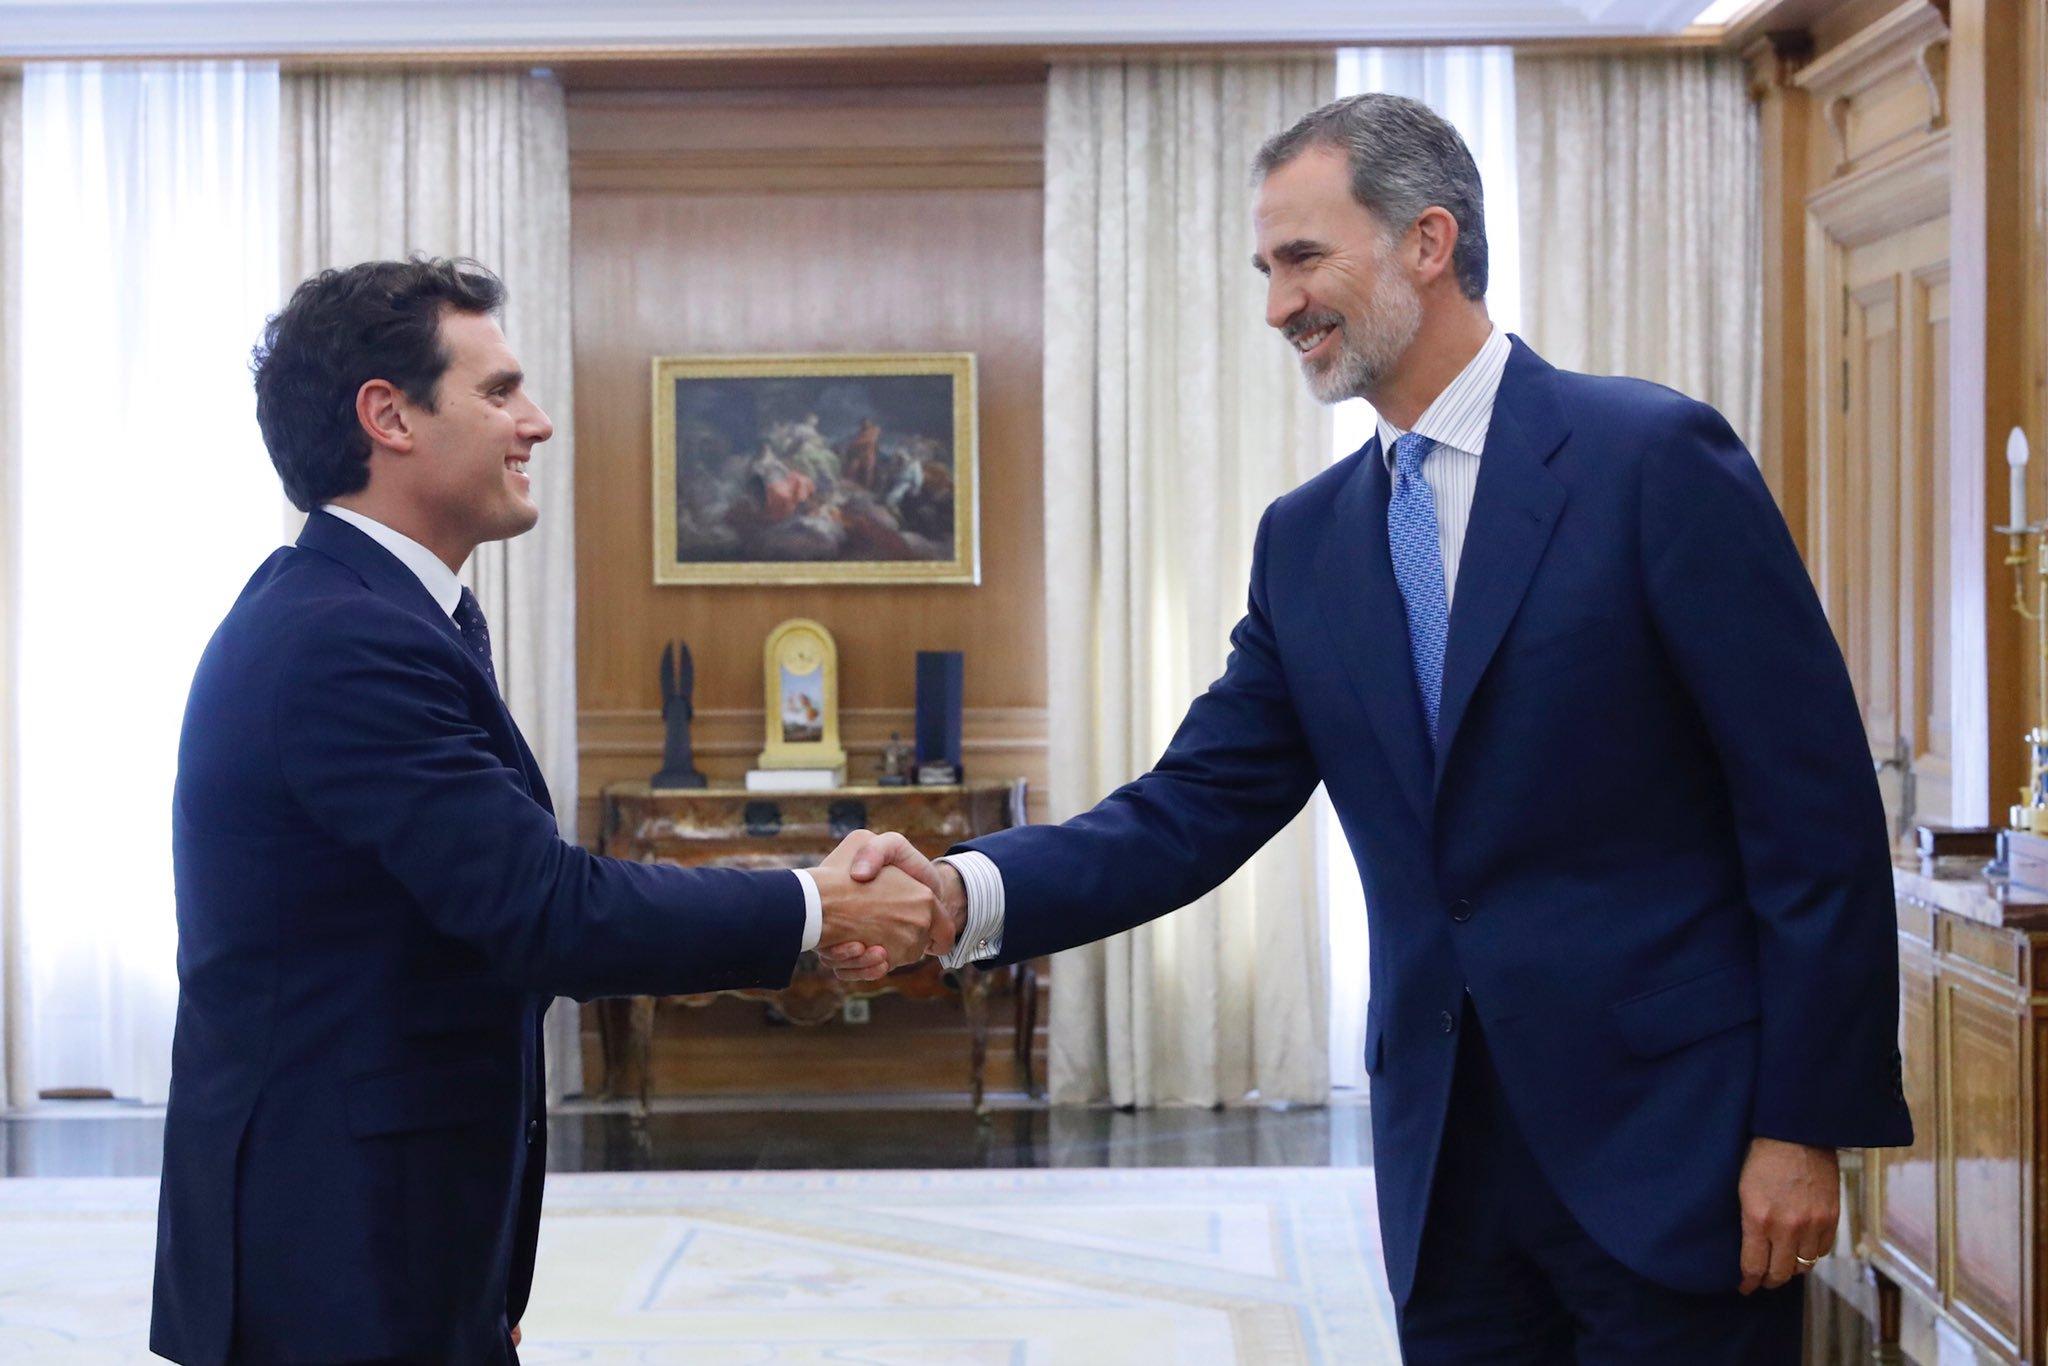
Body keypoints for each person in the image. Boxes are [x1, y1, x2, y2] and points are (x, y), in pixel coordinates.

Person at [827, 94, 1913, 1363]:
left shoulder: (1649, 460)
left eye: (1301, 259)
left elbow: (1813, 816)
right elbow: (1189, 808)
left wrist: (1801, 1125)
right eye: (1265, 270)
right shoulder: (1308, 540)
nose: (1278, 305)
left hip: (1672, 1145)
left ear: (1426, 241)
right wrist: (962, 895)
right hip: (1442, 1168)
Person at [149, 257, 947, 1365]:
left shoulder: (373, 613)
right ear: (388, 416)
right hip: (330, 1256)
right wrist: (815, 908)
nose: (538, 423)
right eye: (498, 391)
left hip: (393, 1240)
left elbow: (473, 919)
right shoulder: (346, 638)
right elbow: (546, 912)